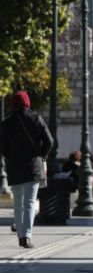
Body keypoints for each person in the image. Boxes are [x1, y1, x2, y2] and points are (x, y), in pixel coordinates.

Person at [0, 91, 53, 249]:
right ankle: (26, 237)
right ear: (27, 103)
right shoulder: (36, 119)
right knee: (30, 202)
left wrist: (11, 156)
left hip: (15, 168)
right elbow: (49, 141)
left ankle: (20, 234)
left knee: (18, 203)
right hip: (33, 166)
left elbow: (2, 148)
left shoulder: (6, 123)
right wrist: (42, 156)